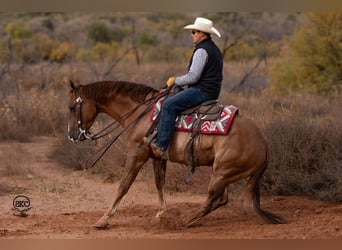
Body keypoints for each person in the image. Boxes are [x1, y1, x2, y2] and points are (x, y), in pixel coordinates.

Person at [150, 17, 223, 159]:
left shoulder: (202, 51)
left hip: (202, 91)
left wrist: (175, 80)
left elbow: (193, 77)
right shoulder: (214, 49)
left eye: (194, 32)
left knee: (168, 105)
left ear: (202, 33)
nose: (192, 35)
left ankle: (161, 145)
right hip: (211, 91)